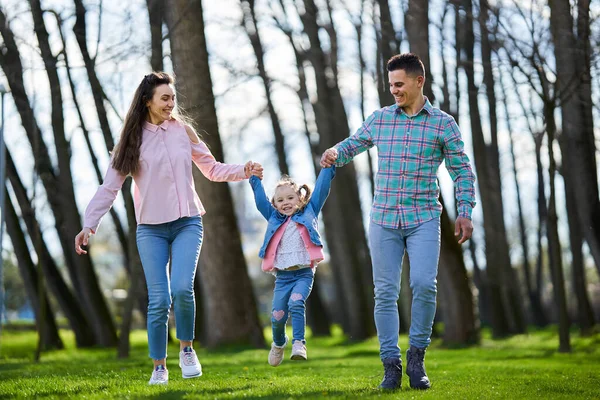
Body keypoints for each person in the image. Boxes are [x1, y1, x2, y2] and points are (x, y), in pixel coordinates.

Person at [74, 72, 263, 385]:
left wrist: (243, 170)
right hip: (151, 230)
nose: (170, 103)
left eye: (173, 98)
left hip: (188, 222)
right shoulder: (131, 141)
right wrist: (89, 223)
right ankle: (159, 367)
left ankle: (186, 349)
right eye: (164, 98)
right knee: (159, 300)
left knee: (181, 289)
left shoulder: (182, 131)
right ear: (148, 101)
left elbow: (212, 169)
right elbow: (109, 187)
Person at [320, 53, 476, 390]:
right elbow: (353, 144)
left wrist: (465, 211)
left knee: (423, 285)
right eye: (391, 84)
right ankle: (390, 364)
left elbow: (462, 171)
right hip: (384, 219)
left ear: (419, 81)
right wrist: (335, 153)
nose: (394, 90)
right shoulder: (380, 119)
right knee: (385, 292)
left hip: (423, 217)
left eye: (400, 84)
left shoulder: (443, 123)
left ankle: (416, 358)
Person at [249, 166, 335, 366]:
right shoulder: (273, 217)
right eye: (280, 200)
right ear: (275, 204)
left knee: (296, 302)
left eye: (290, 198)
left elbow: (321, 188)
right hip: (283, 277)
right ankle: (279, 343)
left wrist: (328, 169)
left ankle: (299, 343)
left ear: (300, 199)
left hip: (304, 274)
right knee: (277, 315)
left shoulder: (309, 212)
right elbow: (260, 200)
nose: (285, 203)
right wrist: (254, 179)